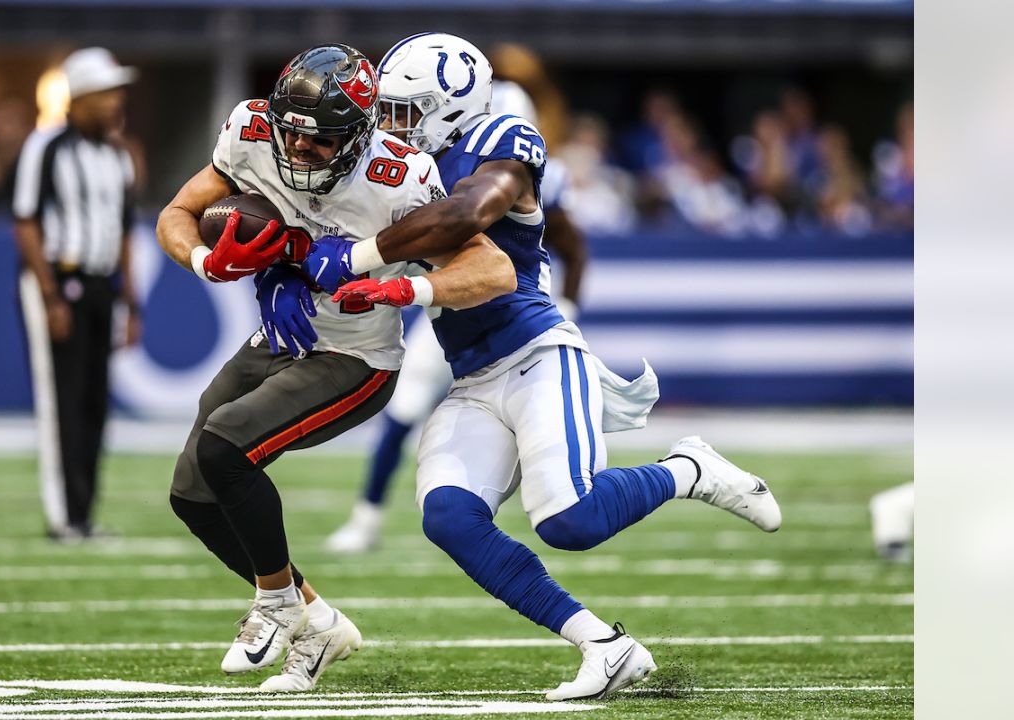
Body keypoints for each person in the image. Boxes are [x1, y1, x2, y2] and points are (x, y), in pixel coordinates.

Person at [301, 32, 783, 701]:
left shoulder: (500, 143)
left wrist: (358, 260)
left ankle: (688, 468)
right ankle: (604, 646)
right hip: (472, 375)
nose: (391, 125)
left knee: (570, 521)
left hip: (537, 354)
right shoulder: (401, 168)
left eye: (406, 110)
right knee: (447, 516)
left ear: (450, 107)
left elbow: (466, 214)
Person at [154, 43, 514, 693]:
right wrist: (213, 265)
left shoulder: (400, 178)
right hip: (283, 338)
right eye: (291, 135)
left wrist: (399, 288)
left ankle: (277, 604)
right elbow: (177, 215)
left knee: (225, 445)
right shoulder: (251, 131)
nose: (297, 152)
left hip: (355, 357)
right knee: (193, 494)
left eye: (318, 142)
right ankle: (318, 620)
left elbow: (493, 268)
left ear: (359, 134)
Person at [326, 80, 585, 554]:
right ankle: (367, 517)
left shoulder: (513, 162)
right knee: (404, 412)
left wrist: (567, 303)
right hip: (450, 310)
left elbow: (569, 245)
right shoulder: (427, 166)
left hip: (518, 321)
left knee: (550, 463)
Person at [12, 47, 143, 541]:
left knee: (93, 401)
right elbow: (25, 221)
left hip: (100, 284)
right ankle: (62, 516)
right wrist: (49, 296)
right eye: (106, 92)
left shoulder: (117, 157)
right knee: (60, 401)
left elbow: (126, 232)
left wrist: (131, 302)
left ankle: (83, 513)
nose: (115, 101)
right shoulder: (46, 147)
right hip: (57, 280)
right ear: (80, 97)